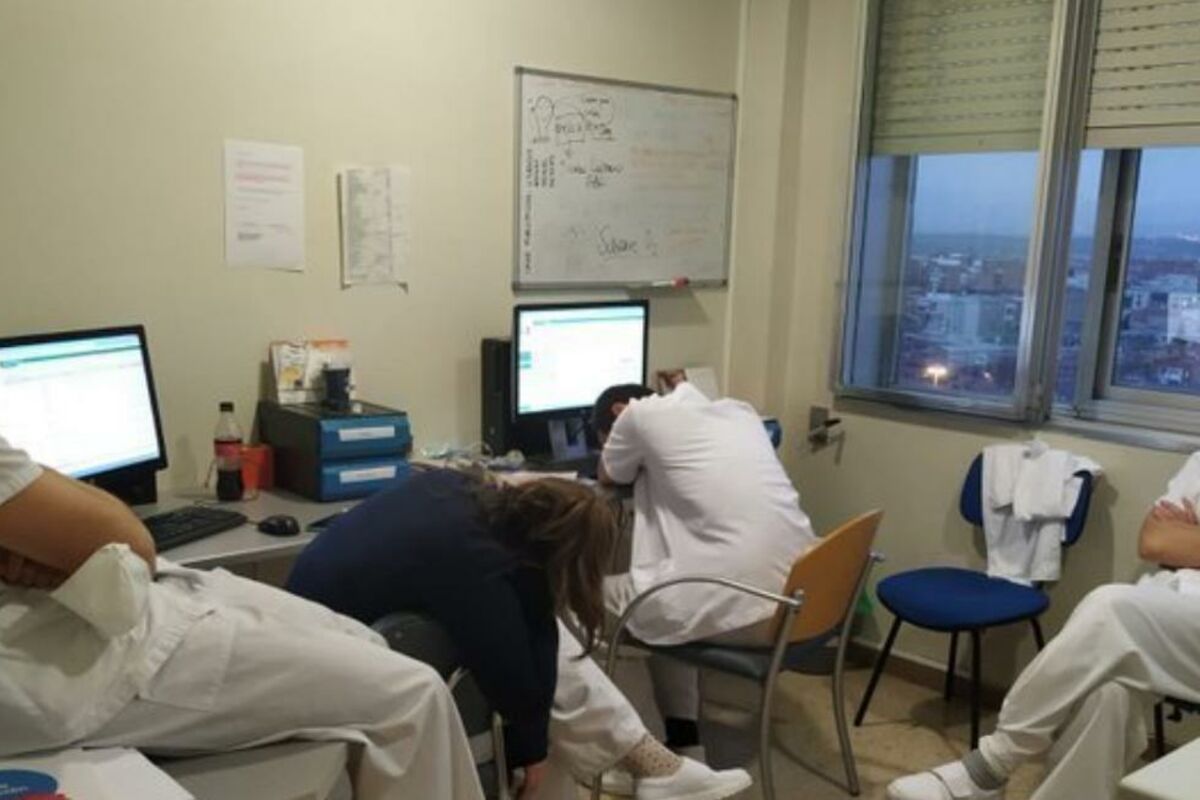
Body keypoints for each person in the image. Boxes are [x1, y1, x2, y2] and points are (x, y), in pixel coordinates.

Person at [0, 433, 483, 800]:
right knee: (412, 697)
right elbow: (131, 543)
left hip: (112, 606)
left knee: (366, 642)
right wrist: (63, 524)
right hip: (71, 662)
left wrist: (53, 530)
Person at [286, 466, 753, 800]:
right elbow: (512, 673)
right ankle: (647, 762)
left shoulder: (457, 490)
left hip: (330, 607)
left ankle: (646, 762)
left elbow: (536, 616)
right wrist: (531, 750)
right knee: (542, 708)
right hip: (328, 645)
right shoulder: (472, 564)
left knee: (549, 680)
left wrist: (534, 742)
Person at [887, 452, 1200, 800]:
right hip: (1173, 610)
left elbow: (1169, 543)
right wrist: (1180, 540)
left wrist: (1187, 537)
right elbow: (1155, 541)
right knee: (1108, 692)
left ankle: (993, 763)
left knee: (1110, 607)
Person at [592, 382, 818, 755]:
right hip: (804, 602)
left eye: (606, 438)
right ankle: (684, 739)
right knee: (662, 596)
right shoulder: (740, 412)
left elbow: (608, 474)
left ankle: (642, 753)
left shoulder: (637, 416)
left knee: (579, 598)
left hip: (750, 612)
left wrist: (618, 442)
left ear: (618, 412)